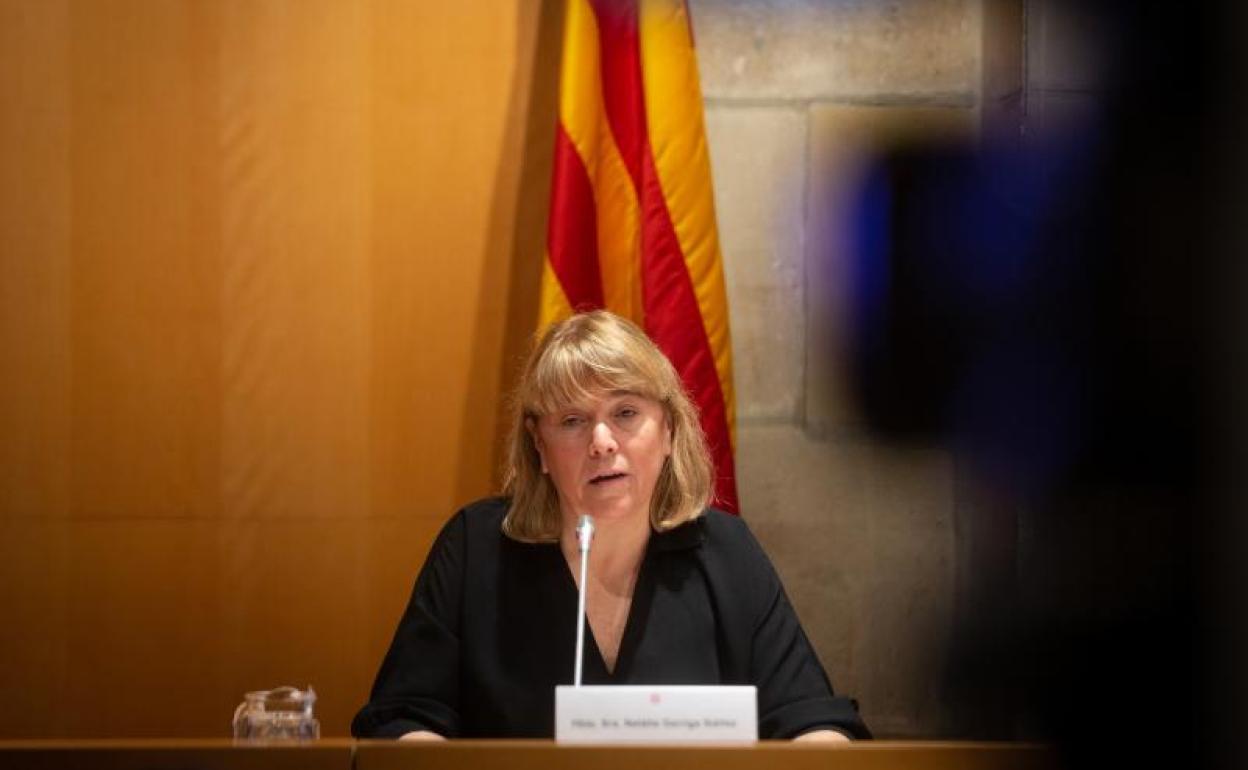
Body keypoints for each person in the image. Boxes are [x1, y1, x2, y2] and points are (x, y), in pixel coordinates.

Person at [351, 311, 868, 740]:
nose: (601, 442)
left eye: (625, 413)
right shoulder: (476, 550)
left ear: (668, 431)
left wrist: (819, 745)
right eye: (572, 421)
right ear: (539, 446)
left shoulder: (725, 552)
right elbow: (402, 721)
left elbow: (812, 722)